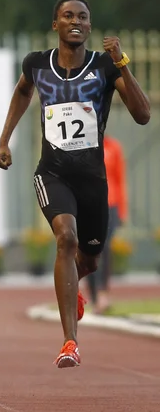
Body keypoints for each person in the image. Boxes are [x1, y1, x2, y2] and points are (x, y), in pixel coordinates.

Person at [0, 0, 150, 368]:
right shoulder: (36, 64)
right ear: (56, 24)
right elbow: (21, 92)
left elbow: (143, 115)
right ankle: (70, 342)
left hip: (93, 179)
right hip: (53, 173)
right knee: (66, 238)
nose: (75, 21)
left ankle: (71, 287)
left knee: (90, 260)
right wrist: (4, 141)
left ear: (90, 27)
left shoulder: (104, 67)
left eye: (82, 16)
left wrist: (122, 63)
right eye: (67, 15)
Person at [86, 135, 128, 314]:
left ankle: (103, 294)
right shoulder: (84, 145)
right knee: (89, 250)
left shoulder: (113, 147)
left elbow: (120, 179)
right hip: (89, 204)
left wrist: (122, 210)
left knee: (106, 249)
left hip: (110, 205)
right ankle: (94, 295)